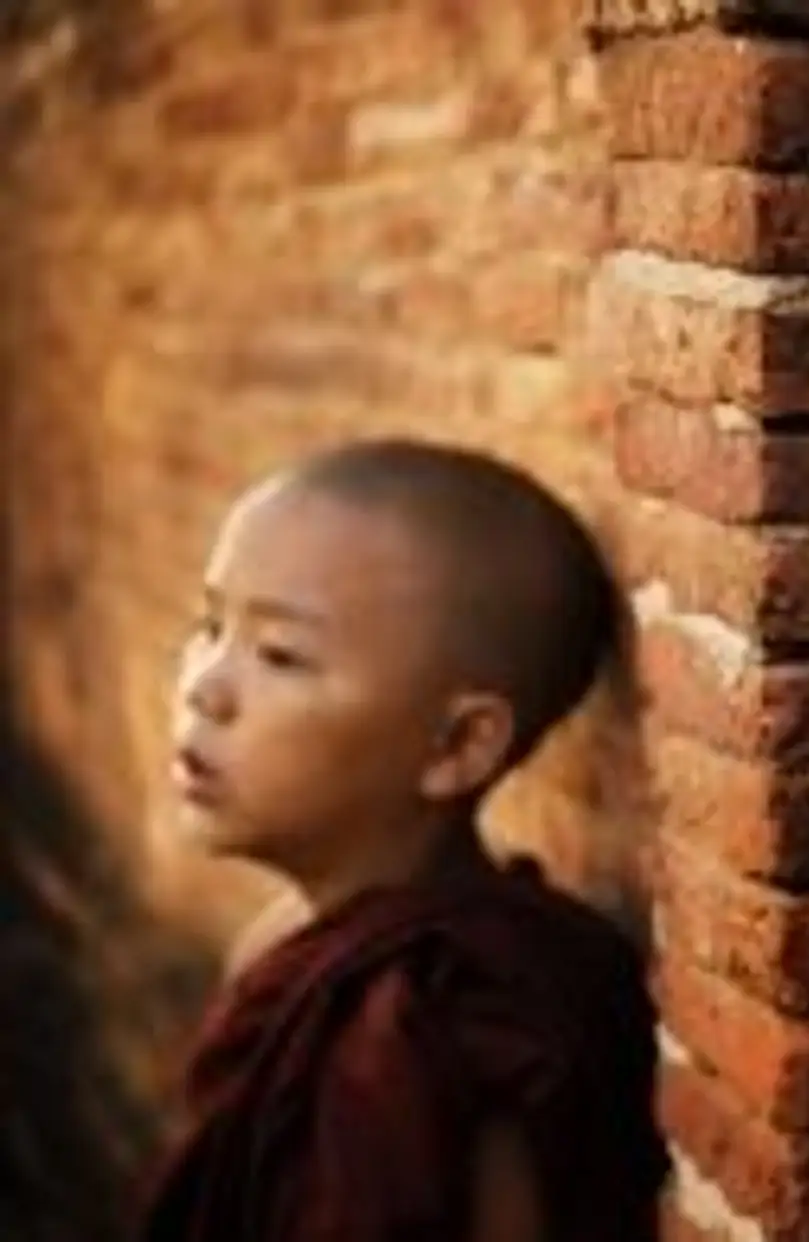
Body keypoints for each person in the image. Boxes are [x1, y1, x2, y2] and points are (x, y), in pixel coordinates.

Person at [139, 439, 667, 1242]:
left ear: (458, 746)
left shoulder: (460, 1028)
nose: (205, 689)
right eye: (209, 626)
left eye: (279, 655)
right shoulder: (286, 947)